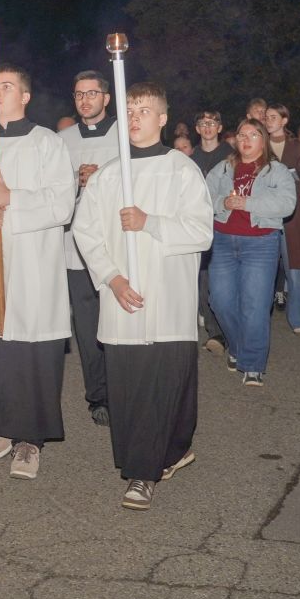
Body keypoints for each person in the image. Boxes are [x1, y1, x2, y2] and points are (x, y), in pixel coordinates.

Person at [72, 82, 213, 511]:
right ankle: (141, 468)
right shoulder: (111, 174)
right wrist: (111, 278)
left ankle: (153, 465)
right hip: (122, 297)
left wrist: (150, 222)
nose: (135, 117)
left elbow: (202, 232)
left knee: (166, 388)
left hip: (167, 298)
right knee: (130, 391)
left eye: (145, 110)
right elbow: (85, 231)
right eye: (130, 109)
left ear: (163, 119)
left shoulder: (181, 169)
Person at [0, 65, 75, 479]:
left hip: (33, 266)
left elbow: (63, 203)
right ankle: (1, 426)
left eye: (6, 87)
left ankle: (29, 441)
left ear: (25, 96)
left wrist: (12, 200)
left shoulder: (48, 145)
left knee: (30, 354)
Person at [204, 118, 296, 388]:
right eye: (241, 135)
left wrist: (248, 203)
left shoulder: (275, 171)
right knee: (219, 300)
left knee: (255, 305)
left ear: (263, 140)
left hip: (260, 243)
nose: (245, 140)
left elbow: (287, 204)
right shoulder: (223, 168)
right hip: (221, 240)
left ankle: (253, 363)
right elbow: (202, 197)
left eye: (252, 135)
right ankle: (236, 346)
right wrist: (223, 202)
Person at [58, 70, 119, 426]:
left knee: (119, 319)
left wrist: (103, 179)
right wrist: (75, 183)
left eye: (92, 93)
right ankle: (98, 396)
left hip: (114, 243)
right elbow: (52, 192)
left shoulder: (124, 135)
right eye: (79, 94)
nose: (85, 100)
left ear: (106, 98)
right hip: (75, 249)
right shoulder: (62, 140)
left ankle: (123, 387)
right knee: (86, 325)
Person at [263, 104, 300, 334]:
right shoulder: (260, 144)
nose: (268, 121)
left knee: (293, 268)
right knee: (263, 269)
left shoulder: (297, 147)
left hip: (293, 217)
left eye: (273, 117)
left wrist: (285, 181)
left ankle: (298, 318)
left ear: (284, 120)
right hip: (266, 214)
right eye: (266, 117)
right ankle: (260, 318)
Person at [187, 110, 233, 355]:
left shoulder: (229, 156)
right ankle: (215, 333)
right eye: (202, 123)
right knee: (203, 280)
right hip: (199, 224)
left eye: (212, 123)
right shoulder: (190, 158)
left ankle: (230, 331)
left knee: (222, 283)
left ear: (219, 127)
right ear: (197, 128)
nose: (207, 127)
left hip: (225, 224)